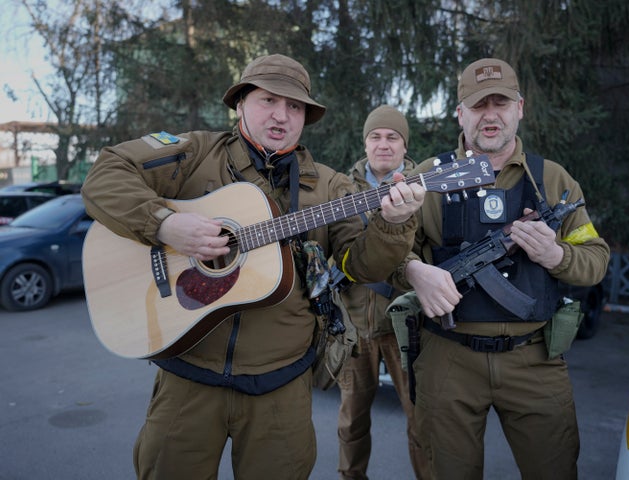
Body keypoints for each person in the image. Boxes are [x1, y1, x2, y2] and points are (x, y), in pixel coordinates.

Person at [81, 53, 425, 480]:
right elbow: (106, 171)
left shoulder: (331, 186)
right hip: (188, 381)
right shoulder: (195, 152)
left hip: (280, 388)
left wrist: (394, 224)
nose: (282, 115)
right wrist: (165, 224)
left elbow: (361, 266)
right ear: (240, 103)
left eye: (295, 106)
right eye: (268, 100)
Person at [391, 58, 610, 479]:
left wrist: (556, 255)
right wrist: (415, 272)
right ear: (460, 113)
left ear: (520, 108)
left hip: (535, 360)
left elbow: (596, 260)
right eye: (478, 104)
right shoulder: (426, 179)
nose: (490, 114)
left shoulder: (553, 179)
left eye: (501, 102)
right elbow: (383, 258)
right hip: (448, 359)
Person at [336, 105, 430, 480]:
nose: (383, 144)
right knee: (351, 423)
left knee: (420, 421)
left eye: (393, 137)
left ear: (405, 146)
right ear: (365, 142)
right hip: (355, 324)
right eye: (375, 136)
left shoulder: (425, 187)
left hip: (405, 327)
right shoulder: (341, 187)